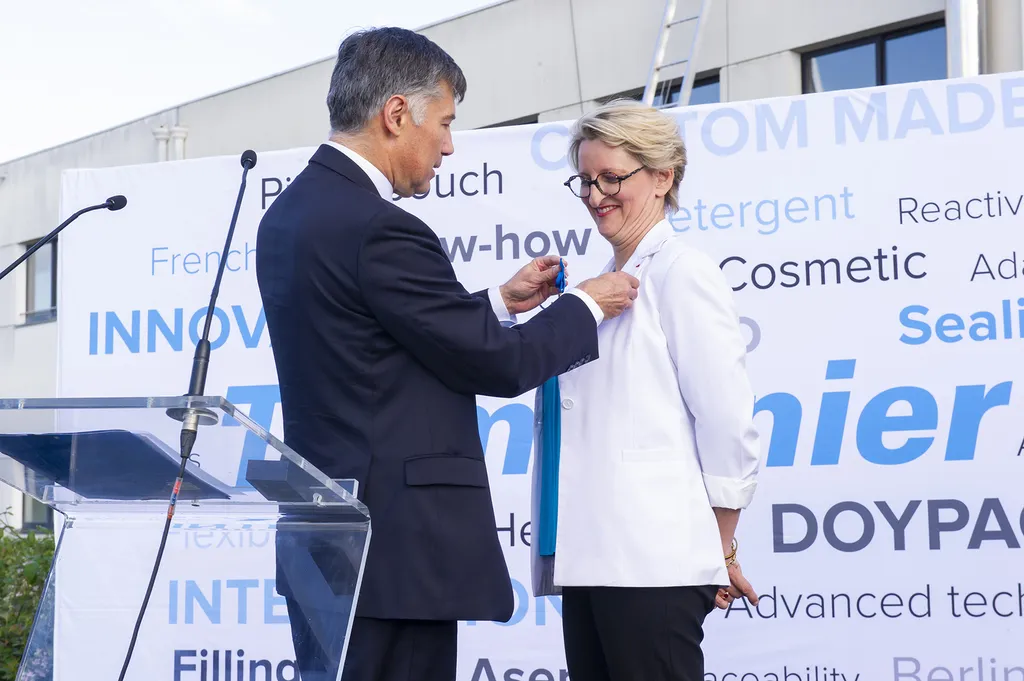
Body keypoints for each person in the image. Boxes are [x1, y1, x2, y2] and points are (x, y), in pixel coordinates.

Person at [254, 27, 640, 681]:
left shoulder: (290, 215)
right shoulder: (381, 227)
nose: (450, 145)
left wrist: (495, 300)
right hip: (393, 555)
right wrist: (587, 305)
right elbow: (497, 363)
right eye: (447, 122)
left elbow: (377, 338)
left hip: (327, 545)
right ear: (397, 114)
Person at [529, 99, 762, 681]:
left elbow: (727, 422)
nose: (595, 194)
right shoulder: (593, 286)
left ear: (663, 177)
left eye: (612, 177)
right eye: (584, 180)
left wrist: (721, 548)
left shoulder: (682, 272)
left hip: (653, 564)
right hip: (590, 561)